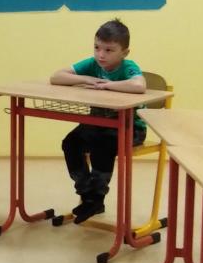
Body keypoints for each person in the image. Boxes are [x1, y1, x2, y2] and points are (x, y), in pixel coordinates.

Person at [49, 17, 147, 224]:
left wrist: (107, 85)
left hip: (130, 127)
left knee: (102, 146)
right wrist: (87, 79)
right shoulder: (93, 64)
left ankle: (96, 197)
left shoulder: (128, 67)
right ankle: (87, 194)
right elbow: (56, 76)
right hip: (98, 123)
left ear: (124, 52)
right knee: (71, 143)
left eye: (109, 50)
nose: (101, 55)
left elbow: (139, 86)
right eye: (97, 48)